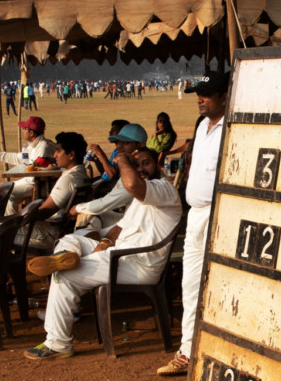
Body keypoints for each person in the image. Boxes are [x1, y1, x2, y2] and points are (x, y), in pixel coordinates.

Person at [23, 146, 182, 361]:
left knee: (65, 275)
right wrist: (104, 241)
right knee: (72, 239)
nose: (140, 169)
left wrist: (124, 159)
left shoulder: (164, 189)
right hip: (119, 253)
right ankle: (65, 257)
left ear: (158, 166)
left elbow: (132, 184)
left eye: (146, 163)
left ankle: (58, 343)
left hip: (137, 264)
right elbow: (120, 227)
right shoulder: (141, 198)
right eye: (136, 165)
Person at [158, 72, 229, 377]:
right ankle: (188, 350)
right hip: (197, 213)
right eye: (199, 93)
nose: (200, 99)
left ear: (224, 97)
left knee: (220, 284)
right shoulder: (202, 126)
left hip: (220, 213)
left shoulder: (233, 126)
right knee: (190, 284)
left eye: (207, 94)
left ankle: (221, 350)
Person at [68, 122, 147, 234]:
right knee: (93, 217)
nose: (119, 146)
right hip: (132, 219)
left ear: (141, 145)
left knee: (78, 234)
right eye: (119, 142)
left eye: (126, 143)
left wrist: (77, 208)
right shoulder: (130, 166)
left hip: (137, 229)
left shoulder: (138, 171)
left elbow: (107, 202)